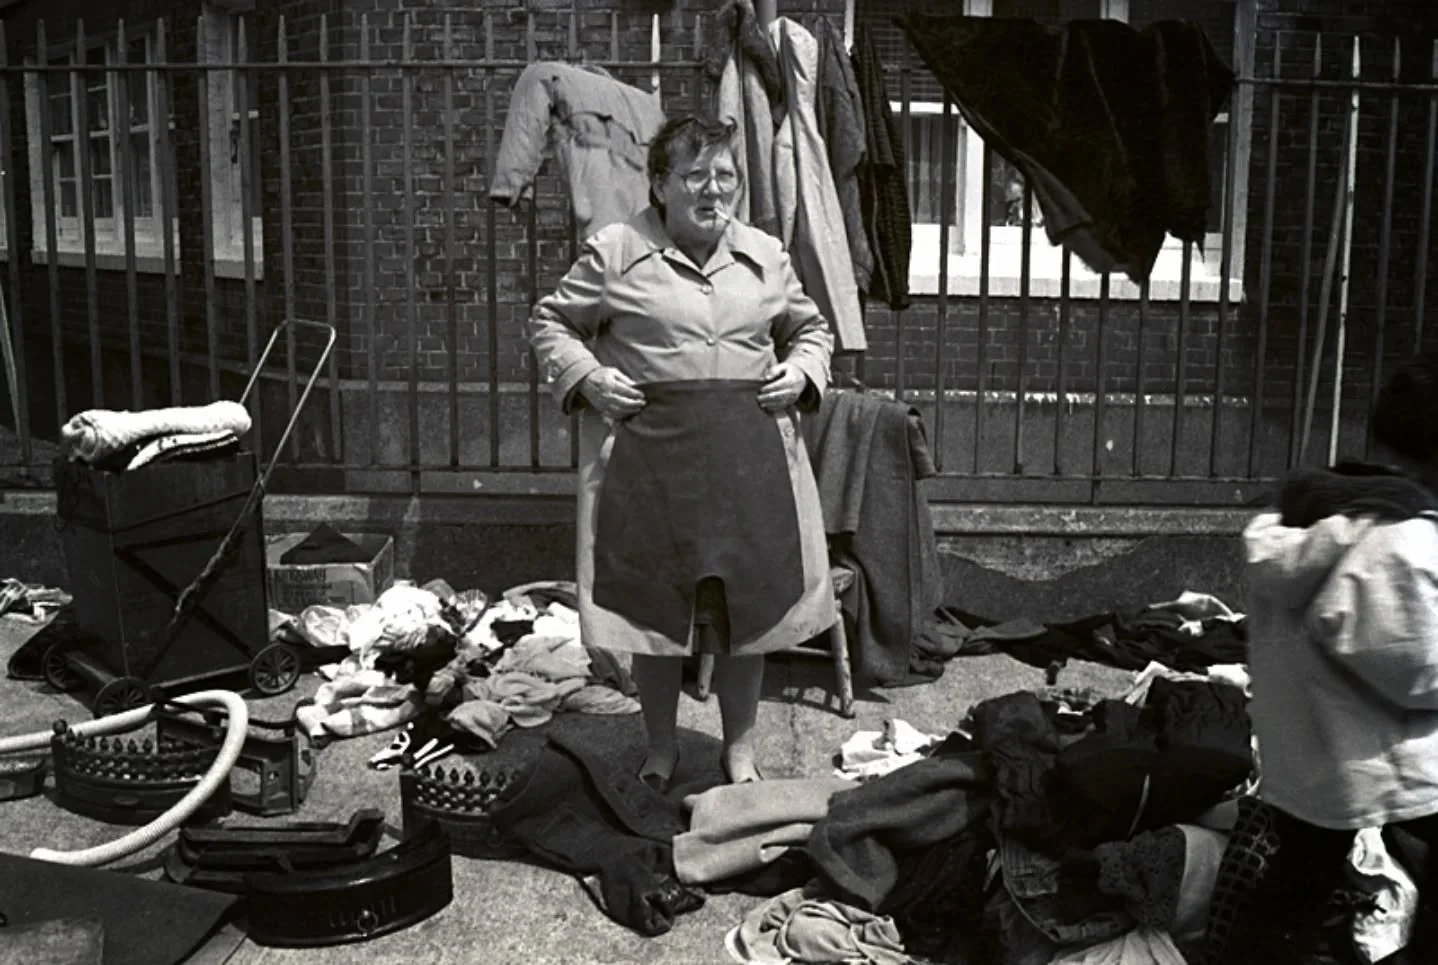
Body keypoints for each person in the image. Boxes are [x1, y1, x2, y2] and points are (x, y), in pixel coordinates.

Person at [526, 115, 837, 790]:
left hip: (747, 463)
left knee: (744, 615)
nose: (712, 190)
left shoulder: (764, 254)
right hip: (651, 465)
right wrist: (588, 376)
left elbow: (811, 328)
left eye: (725, 176)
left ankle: (741, 750)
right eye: (695, 176)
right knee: (655, 613)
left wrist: (805, 368)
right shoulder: (615, 250)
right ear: (661, 184)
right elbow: (551, 320)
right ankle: (661, 748)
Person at [1239, 352, 1438, 964]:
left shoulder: (1311, 512)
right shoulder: (1398, 537)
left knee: (1299, 879)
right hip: (1377, 757)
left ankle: (1262, 953)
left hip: (1306, 752)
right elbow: (1415, 665)